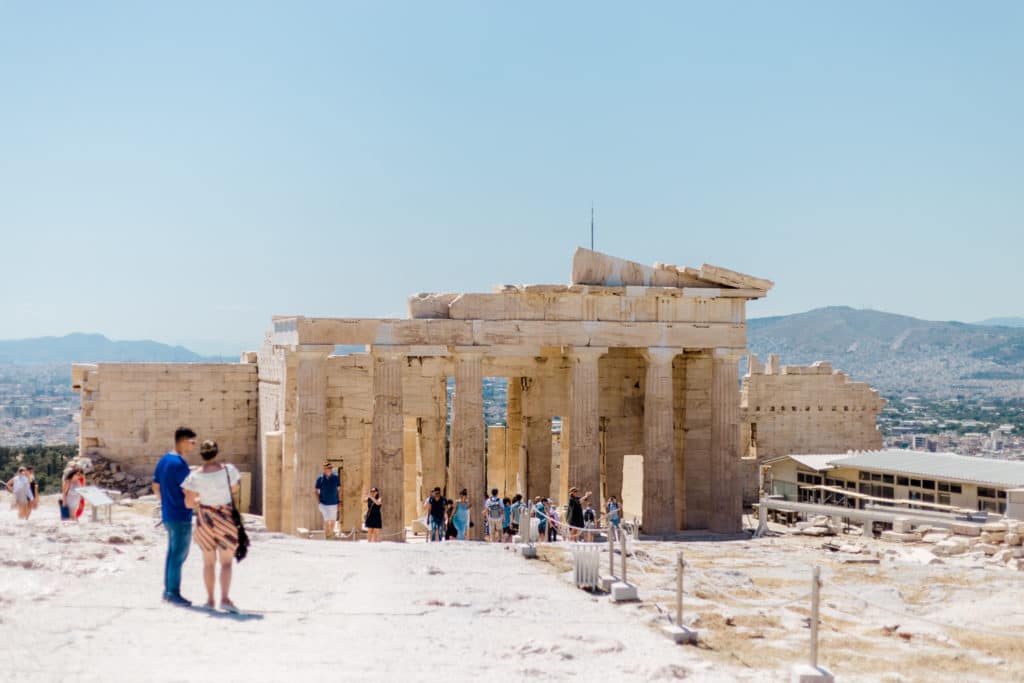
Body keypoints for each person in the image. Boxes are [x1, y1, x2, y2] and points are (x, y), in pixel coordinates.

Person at [182, 440, 242, 613]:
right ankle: (224, 598)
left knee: (208, 563)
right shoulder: (228, 470)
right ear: (216, 453)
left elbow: (188, 503)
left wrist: (203, 499)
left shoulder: (194, 476)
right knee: (226, 563)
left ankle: (209, 600)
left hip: (205, 519)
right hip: (225, 518)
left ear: (201, 454)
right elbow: (235, 488)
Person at [153, 427, 197, 607]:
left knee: (172, 554)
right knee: (178, 555)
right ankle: (172, 593)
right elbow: (188, 490)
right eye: (192, 442)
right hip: (180, 516)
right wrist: (197, 503)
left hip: (168, 514)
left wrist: (167, 501)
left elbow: (155, 486)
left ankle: (168, 591)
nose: (194, 446)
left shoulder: (164, 460)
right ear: (184, 441)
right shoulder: (180, 465)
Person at [314, 461, 341, 539]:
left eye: (330, 468)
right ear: (324, 469)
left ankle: (330, 536)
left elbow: (339, 490)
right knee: (326, 521)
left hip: (334, 503)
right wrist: (319, 502)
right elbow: (316, 491)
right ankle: (326, 537)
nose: (329, 469)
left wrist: (339, 502)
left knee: (332, 522)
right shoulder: (320, 478)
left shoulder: (335, 477)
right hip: (324, 504)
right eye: (327, 468)